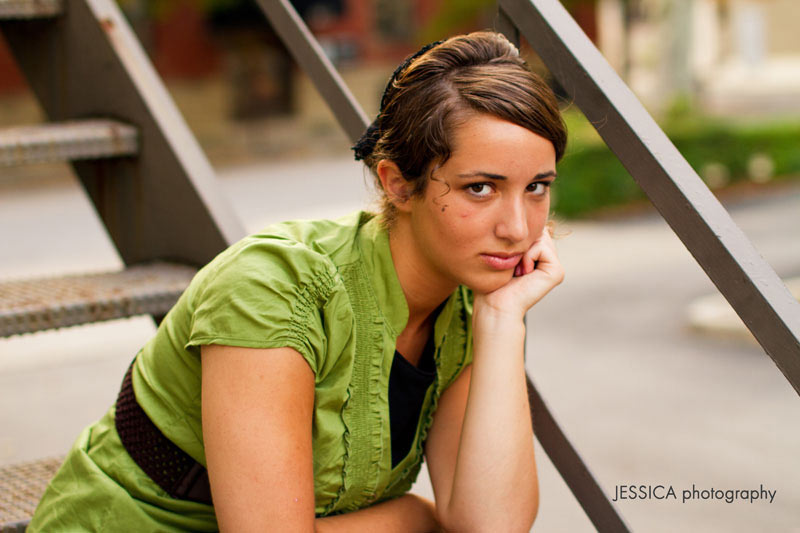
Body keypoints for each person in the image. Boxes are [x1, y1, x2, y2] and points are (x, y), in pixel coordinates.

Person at [29, 30, 566, 532]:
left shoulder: (472, 301)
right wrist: (412, 518)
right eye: (480, 188)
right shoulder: (275, 287)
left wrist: (502, 322)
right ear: (399, 184)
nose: (517, 229)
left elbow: (491, 522)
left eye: (537, 187)